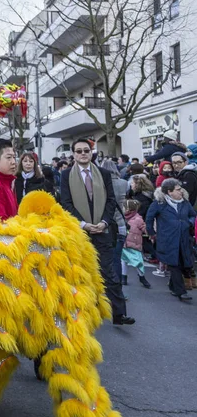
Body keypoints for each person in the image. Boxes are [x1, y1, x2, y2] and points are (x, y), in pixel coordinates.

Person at [60, 138, 135, 325]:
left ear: (91, 153)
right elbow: (66, 204)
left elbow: (111, 201)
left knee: (109, 273)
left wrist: (104, 222)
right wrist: (84, 224)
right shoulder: (66, 175)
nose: (83, 154)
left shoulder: (103, 173)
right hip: (80, 232)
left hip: (103, 230)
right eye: (79, 151)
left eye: (86, 150)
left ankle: (119, 314)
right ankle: (81, 314)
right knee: (79, 274)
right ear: (74, 154)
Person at [146, 179, 196, 300]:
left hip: (183, 239)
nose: (181, 192)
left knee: (183, 263)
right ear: (169, 191)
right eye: (178, 190)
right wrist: (152, 233)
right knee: (174, 264)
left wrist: (188, 224)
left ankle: (174, 287)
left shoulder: (184, 203)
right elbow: (149, 218)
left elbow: (192, 215)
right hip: (167, 239)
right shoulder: (159, 203)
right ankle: (181, 292)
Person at [100, 159, 128, 283]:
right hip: (121, 222)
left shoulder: (101, 183)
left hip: (106, 223)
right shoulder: (124, 183)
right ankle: (118, 287)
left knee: (105, 258)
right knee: (117, 258)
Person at [121, 199, 151, 288]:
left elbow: (144, 228)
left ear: (129, 209)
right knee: (123, 261)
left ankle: (142, 277)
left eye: (124, 207)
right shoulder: (122, 218)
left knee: (138, 262)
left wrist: (150, 231)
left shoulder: (138, 219)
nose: (122, 209)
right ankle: (124, 277)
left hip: (134, 245)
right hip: (124, 244)